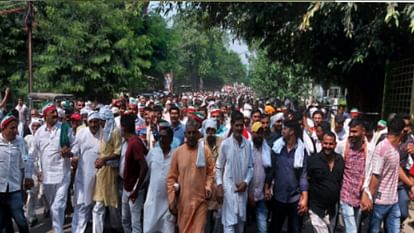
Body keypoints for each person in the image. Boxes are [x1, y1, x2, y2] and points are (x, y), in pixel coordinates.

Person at [31, 103, 74, 233]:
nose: (56, 114)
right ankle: (56, 228)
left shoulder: (65, 129)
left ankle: (58, 230)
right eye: (52, 113)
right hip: (47, 176)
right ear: (45, 116)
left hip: (63, 174)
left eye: (56, 112)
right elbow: (34, 154)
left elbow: (76, 147)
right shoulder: (39, 133)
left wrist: (70, 153)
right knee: (53, 206)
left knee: (58, 206)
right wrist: (37, 170)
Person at [167, 118, 215, 233]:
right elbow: (171, 178)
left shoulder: (205, 150)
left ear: (198, 134)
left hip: (200, 201)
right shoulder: (178, 153)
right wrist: (172, 199)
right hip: (184, 203)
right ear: (185, 134)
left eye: (194, 132)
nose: (192, 135)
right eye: (189, 133)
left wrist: (208, 186)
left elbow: (211, 172)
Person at [360, 115, 405, 233]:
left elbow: (397, 168)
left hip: (393, 201)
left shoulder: (396, 148)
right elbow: (375, 175)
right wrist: (368, 196)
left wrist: (410, 184)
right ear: (401, 132)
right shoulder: (382, 148)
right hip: (380, 202)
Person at [265, 118, 309, 233]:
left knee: (294, 229)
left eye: (285, 128)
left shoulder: (301, 151)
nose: (282, 131)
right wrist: (267, 187)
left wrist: (304, 199)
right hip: (279, 197)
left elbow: (303, 176)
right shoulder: (277, 148)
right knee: (275, 227)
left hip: (295, 198)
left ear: (292, 131)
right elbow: (272, 170)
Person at [216, 111, 253, 233]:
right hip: (229, 191)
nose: (239, 128)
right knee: (229, 226)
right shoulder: (225, 144)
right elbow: (219, 167)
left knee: (240, 227)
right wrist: (220, 186)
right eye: (236, 125)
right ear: (231, 125)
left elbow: (250, 167)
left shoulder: (248, 144)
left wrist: (246, 182)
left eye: (241, 125)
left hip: (242, 192)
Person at [335, 118, 373, 233]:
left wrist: (366, 193)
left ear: (363, 131)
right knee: (352, 229)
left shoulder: (370, 149)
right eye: (351, 131)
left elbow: (370, 172)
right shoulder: (343, 146)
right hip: (345, 192)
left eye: (355, 132)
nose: (352, 135)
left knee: (355, 226)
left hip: (359, 194)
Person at [0, 114, 33, 233]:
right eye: (12, 128)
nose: (15, 131)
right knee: (3, 224)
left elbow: (27, 160)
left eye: (16, 128)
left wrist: (28, 177)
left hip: (14, 189)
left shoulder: (20, 142)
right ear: (3, 128)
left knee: (20, 220)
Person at [92, 106, 122, 233]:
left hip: (110, 172)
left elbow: (118, 152)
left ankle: (117, 228)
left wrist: (104, 160)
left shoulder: (115, 132)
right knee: (98, 204)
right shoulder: (103, 131)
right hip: (101, 172)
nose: (101, 123)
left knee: (112, 204)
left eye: (102, 120)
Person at [70, 111, 102, 233]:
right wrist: (73, 157)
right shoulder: (81, 133)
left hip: (99, 176)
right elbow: (74, 150)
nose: (93, 125)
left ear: (100, 122)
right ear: (87, 122)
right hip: (83, 176)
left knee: (98, 207)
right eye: (91, 122)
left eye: (96, 122)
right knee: (81, 205)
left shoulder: (104, 134)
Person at [307, 132, 344, 233]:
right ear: (322, 143)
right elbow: (305, 180)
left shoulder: (340, 160)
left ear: (335, 145)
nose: (328, 146)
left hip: (332, 209)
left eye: (330, 144)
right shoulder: (313, 160)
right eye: (325, 143)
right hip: (316, 208)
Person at [144, 125, 175, 233]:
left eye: (164, 137)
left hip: (168, 204)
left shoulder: (176, 155)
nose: (161, 139)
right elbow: (145, 173)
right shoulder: (153, 153)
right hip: (152, 202)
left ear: (171, 139)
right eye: (160, 136)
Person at [120, 114, 148, 233]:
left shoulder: (134, 143)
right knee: (125, 220)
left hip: (133, 189)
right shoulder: (129, 141)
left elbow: (144, 166)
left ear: (123, 128)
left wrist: (136, 190)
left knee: (135, 222)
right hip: (126, 186)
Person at [248, 122, 271, 233]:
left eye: (261, 133)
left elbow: (269, 171)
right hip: (247, 195)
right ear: (252, 133)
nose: (259, 135)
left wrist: (267, 189)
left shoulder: (267, 150)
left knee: (263, 228)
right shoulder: (247, 149)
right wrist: (249, 193)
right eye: (257, 133)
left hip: (261, 194)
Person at [24, 117, 43, 226]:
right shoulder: (27, 138)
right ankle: (31, 216)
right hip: (32, 169)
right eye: (33, 126)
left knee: (43, 192)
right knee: (32, 192)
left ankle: (49, 209)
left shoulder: (45, 137)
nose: (35, 128)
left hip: (45, 169)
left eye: (37, 126)